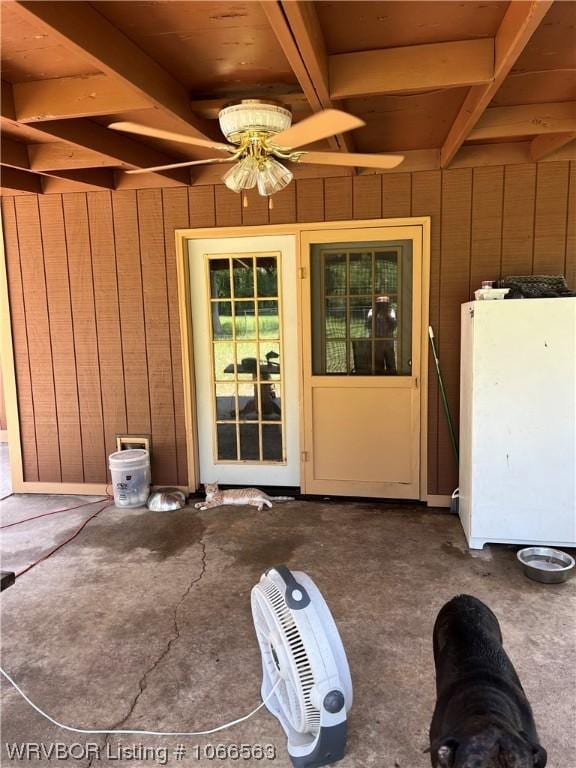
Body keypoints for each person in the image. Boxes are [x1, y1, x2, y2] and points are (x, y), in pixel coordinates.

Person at [366, 295, 397, 374]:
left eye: (385, 303)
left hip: (388, 343)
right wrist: (376, 313)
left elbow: (393, 326)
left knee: (391, 366)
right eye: (380, 304)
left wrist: (386, 315)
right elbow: (368, 325)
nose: (383, 306)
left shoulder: (391, 312)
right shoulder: (371, 312)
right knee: (378, 367)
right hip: (376, 343)